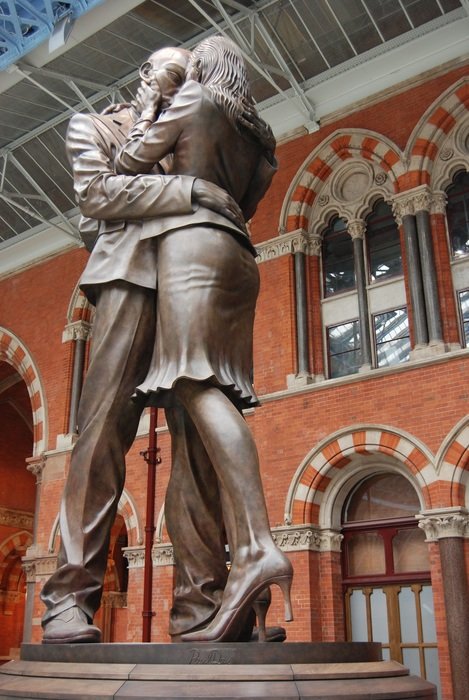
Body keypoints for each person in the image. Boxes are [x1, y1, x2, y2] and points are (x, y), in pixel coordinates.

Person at [40, 46, 244, 644]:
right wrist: (192, 192)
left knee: (198, 441)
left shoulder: (193, 123)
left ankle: (200, 606)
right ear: (143, 75)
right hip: (129, 278)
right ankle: (69, 598)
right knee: (102, 432)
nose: (179, 83)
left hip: (196, 281)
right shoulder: (96, 127)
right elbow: (98, 198)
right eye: (169, 73)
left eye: (189, 76)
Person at [115, 35, 293, 643]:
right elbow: (245, 196)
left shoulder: (192, 101)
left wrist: (150, 107)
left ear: (202, 68)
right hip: (241, 255)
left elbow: (129, 166)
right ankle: (254, 599)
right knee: (213, 397)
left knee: (193, 383)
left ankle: (256, 548)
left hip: (193, 249)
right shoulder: (258, 134)